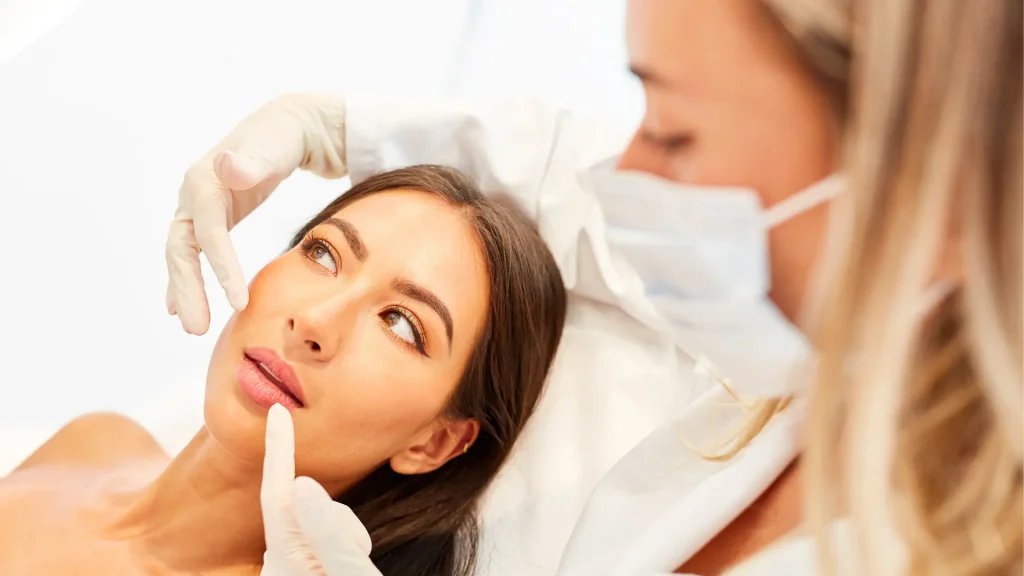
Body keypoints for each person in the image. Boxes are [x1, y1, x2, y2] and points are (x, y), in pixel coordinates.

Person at [166, 0, 1022, 574]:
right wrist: (328, 128)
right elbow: (550, 174)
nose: (625, 176)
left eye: (676, 134)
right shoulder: (788, 387)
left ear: (915, 186)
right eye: (322, 253)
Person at [2, 166, 567, 576]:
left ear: (435, 443)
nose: (315, 321)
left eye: (400, 324)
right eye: (324, 253)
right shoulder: (95, 441)